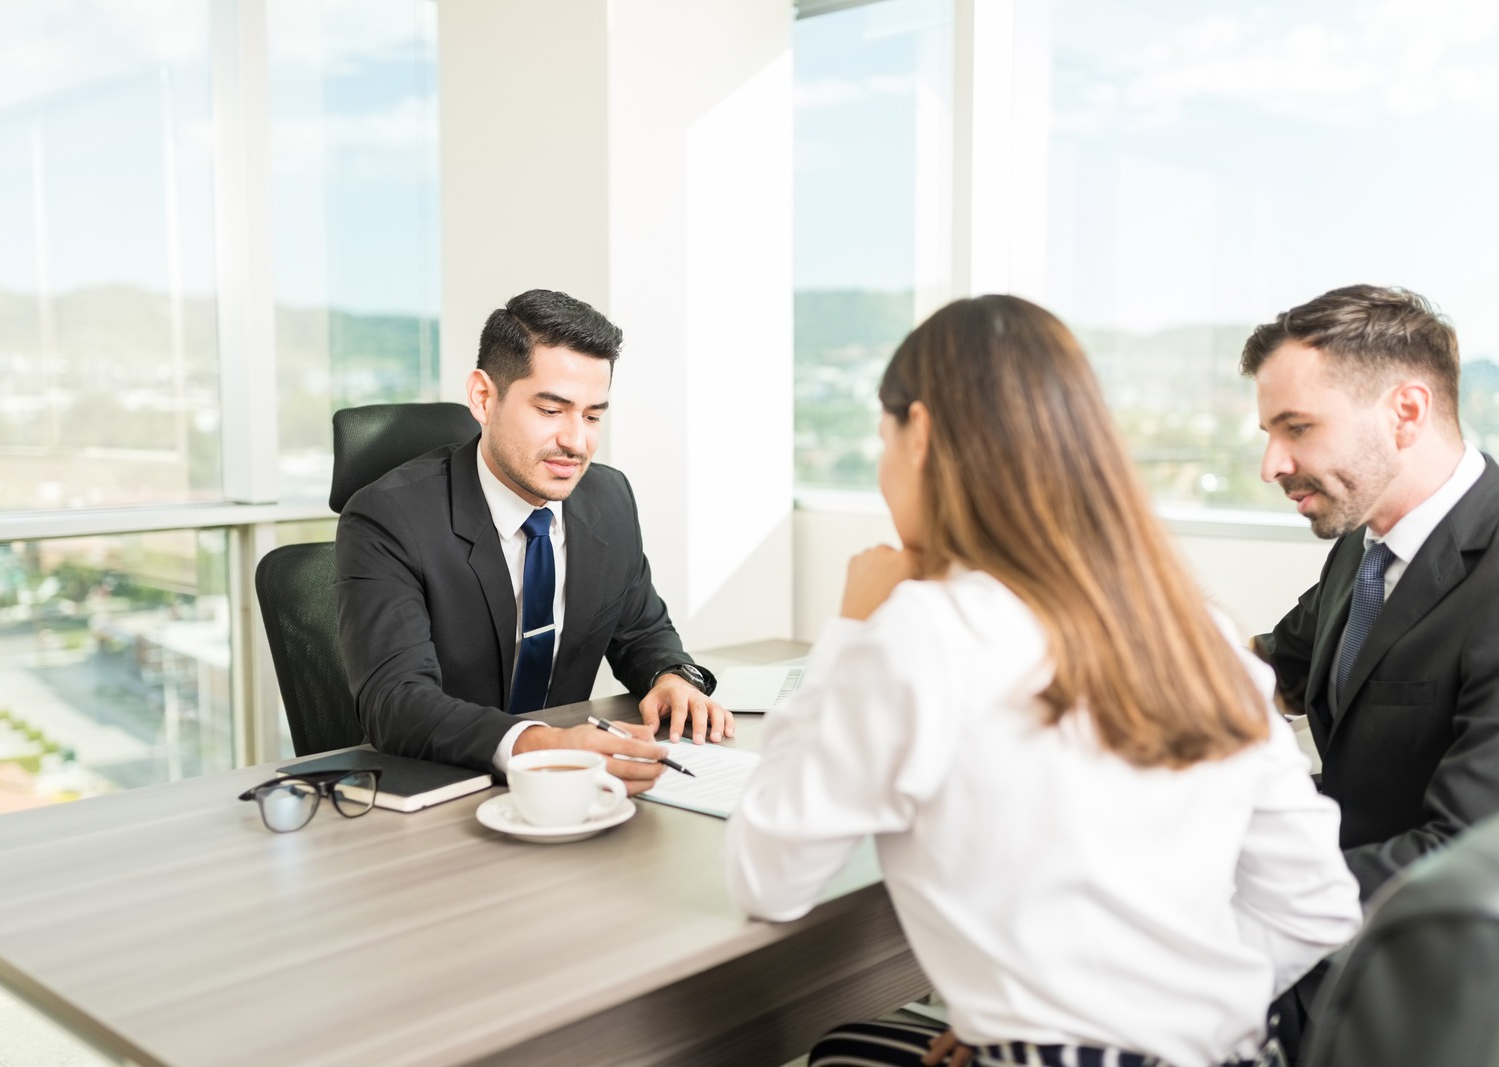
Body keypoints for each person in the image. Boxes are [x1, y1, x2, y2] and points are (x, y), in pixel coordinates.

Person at [723, 295, 1361, 1067]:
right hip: (1234, 1053)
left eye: (881, 436)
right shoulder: (1201, 635)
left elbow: (768, 878)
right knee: (857, 1042)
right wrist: (1128, 1019)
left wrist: (849, 632)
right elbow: (1318, 906)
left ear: (919, 432)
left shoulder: (925, 631)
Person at [1242, 284, 1499, 1058]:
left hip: (1432, 1003)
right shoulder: (1365, 544)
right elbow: (1271, 664)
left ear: (1407, 412)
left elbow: (1457, 852)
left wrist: (1227, 893)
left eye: (1298, 428)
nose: (1271, 464)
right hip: (1319, 957)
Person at [335, 289, 732, 787]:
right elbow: (396, 702)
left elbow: (642, 631)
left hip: (574, 793)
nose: (577, 442)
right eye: (551, 410)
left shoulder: (608, 497)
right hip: (442, 790)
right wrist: (545, 746)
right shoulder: (389, 517)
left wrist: (673, 676)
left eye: (592, 416)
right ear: (484, 397)